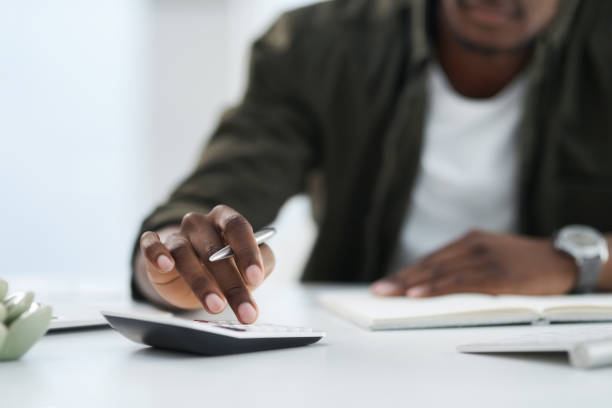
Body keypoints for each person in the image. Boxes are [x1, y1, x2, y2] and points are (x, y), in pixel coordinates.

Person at [133, 0, 612, 324]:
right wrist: (174, 263)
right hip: (363, 352)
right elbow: (216, 195)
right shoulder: (320, 43)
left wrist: (577, 262)